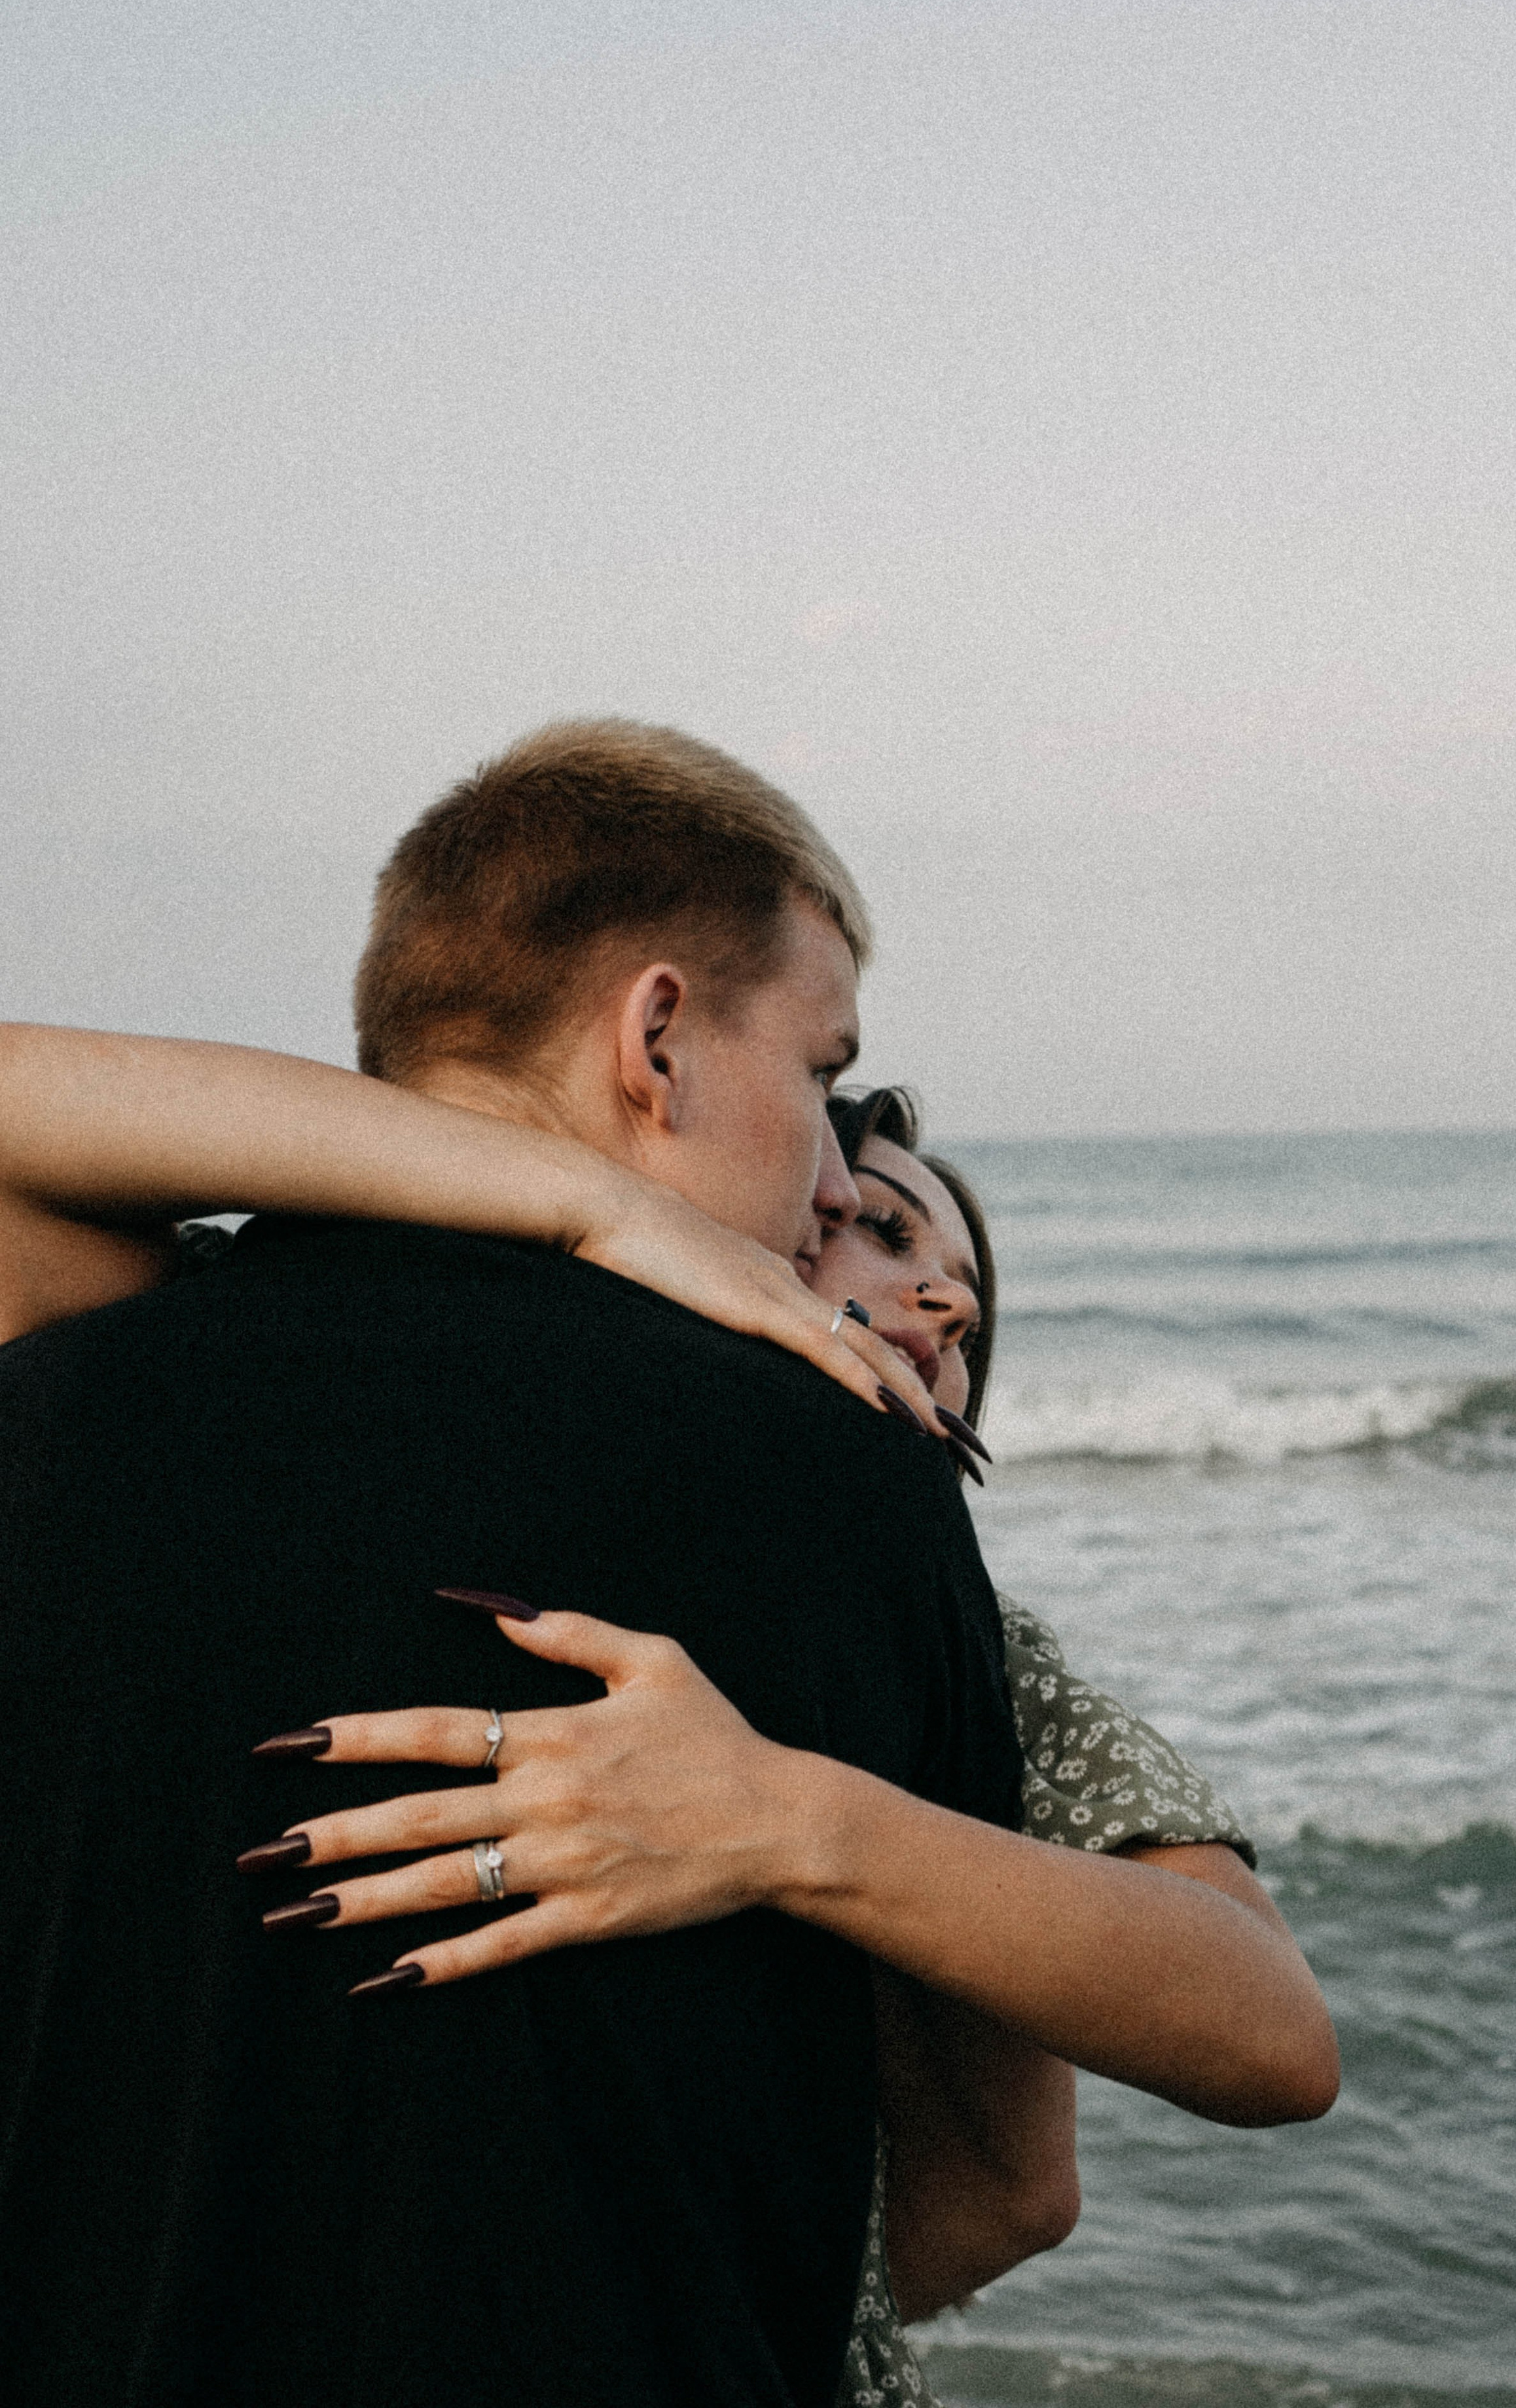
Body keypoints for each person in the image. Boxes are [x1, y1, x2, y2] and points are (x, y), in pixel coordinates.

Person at [0, 927, 1335, 2400]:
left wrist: (785, 1825)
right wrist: (592, 1209)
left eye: (962, 1290)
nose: (946, 1304)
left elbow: (1255, 2040)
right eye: (873, 1228)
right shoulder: (253, 1394)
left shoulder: (934, 1621)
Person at [0, 720, 1034, 2408]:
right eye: (820, 1071)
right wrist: (598, 1210)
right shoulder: (847, 1475)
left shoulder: (55, 1390)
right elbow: (1003, 2169)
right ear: (658, 1035)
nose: (838, 1173)